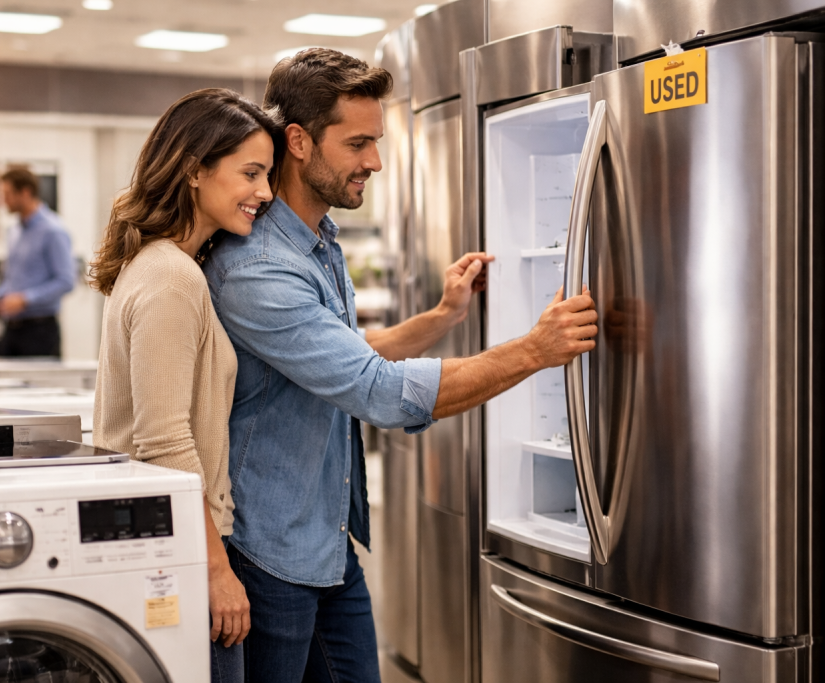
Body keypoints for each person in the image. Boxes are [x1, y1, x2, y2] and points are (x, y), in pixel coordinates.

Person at [203, 49, 598, 683]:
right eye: (358, 144)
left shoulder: (316, 240)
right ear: (298, 142)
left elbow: (344, 356)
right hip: (267, 558)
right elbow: (377, 391)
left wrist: (443, 315)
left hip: (325, 541)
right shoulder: (258, 268)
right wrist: (533, 350)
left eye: (376, 142)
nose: (376, 162)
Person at [90, 88, 283, 683]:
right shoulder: (173, 279)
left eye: (268, 175)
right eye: (250, 173)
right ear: (194, 170)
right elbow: (164, 443)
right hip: (176, 551)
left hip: (166, 541)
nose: (265, 193)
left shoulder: (165, 265)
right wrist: (216, 571)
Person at [0, 168, 75, 357]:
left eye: (7, 194)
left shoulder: (53, 231)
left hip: (40, 331)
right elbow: (13, 279)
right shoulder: (14, 231)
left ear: (25, 192)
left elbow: (66, 281)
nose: (2, 201)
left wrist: (26, 300)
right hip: (11, 329)